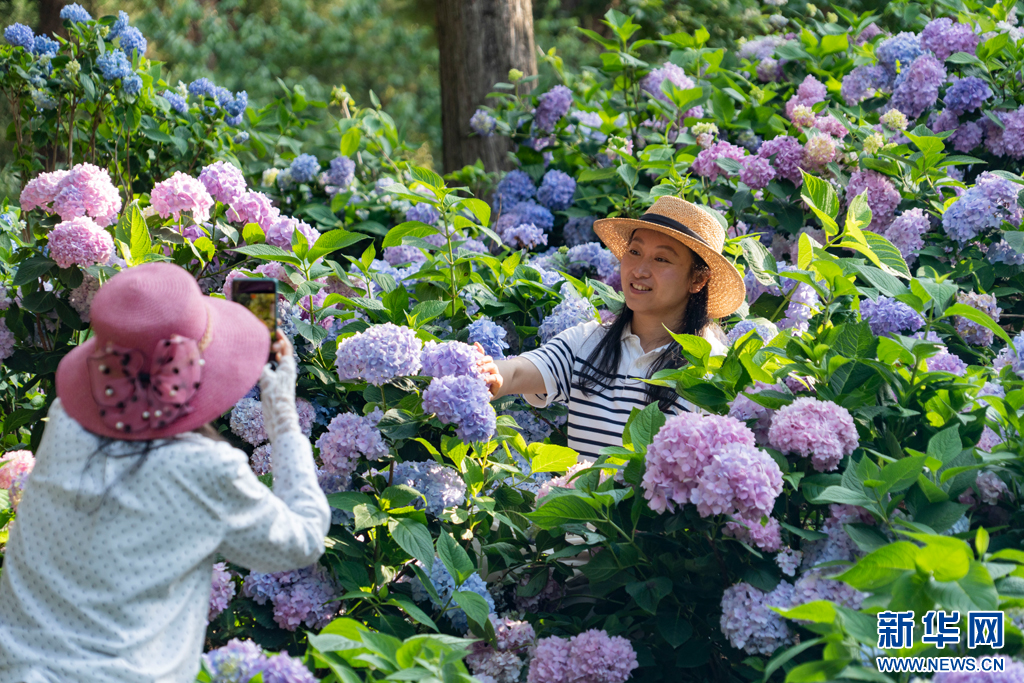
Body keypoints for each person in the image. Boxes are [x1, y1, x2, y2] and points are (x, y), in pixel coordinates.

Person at [0, 262, 330, 683]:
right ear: (199, 366)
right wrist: (282, 416)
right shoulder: (204, 468)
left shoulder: (66, 419)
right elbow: (303, 539)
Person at [477, 196, 746, 460]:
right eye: (635, 252)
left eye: (661, 259)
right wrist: (489, 373)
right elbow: (516, 372)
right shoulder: (587, 343)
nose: (639, 270)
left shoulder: (713, 371)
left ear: (698, 279)